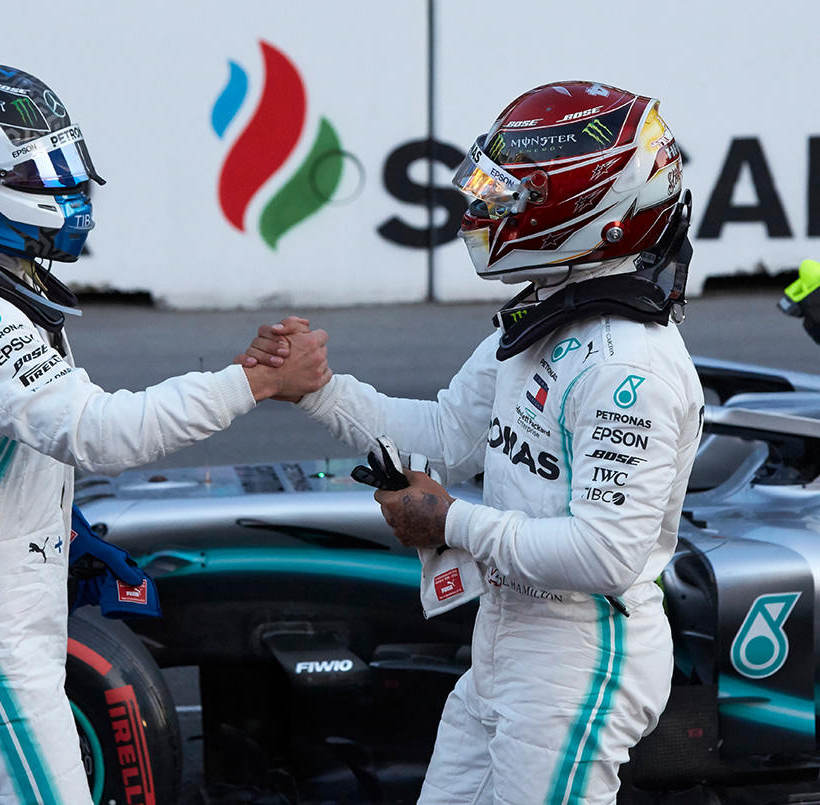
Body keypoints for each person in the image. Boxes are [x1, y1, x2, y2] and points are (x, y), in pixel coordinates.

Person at [0, 63, 329, 803]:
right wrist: (256, 383)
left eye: (61, 164)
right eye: (34, 171)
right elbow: (100, 433)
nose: (63, 187)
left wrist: (55, 533)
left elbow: (38, 443)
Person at [241, 81, 704, 804]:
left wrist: (450, 522)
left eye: (506, 195)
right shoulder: (549, 314)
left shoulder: (628, 370)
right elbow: (448, 436)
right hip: (508, 638)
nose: (480, 212)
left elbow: (605, 555)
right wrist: (317, 390)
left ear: (588, 210)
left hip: (583, 652)